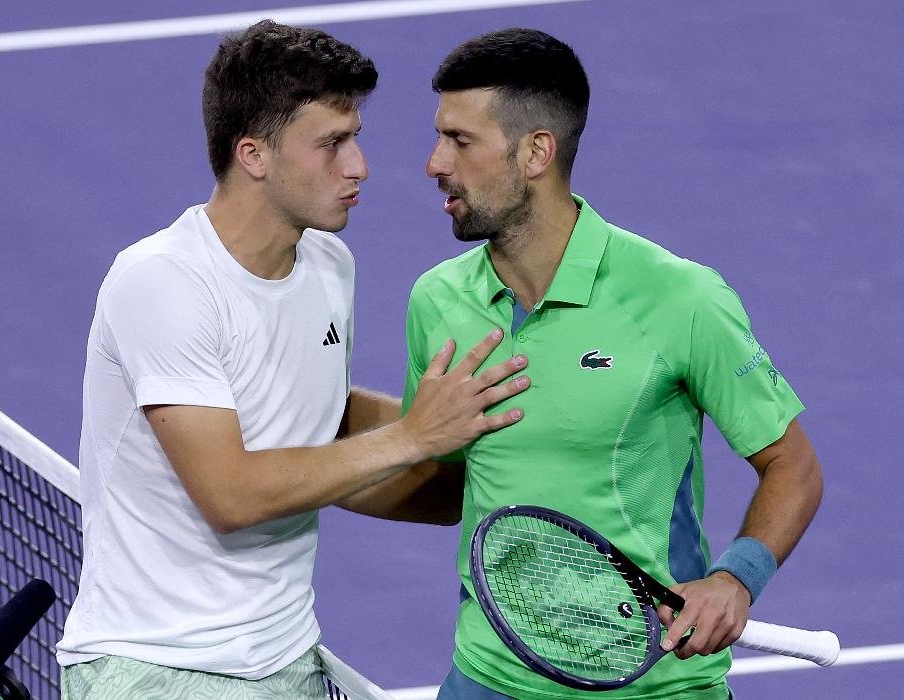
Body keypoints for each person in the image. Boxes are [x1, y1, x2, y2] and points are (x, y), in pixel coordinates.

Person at [55, 20, 530, 699]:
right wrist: (414, 436)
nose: (359, 165)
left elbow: (319, 435)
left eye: (355, 137)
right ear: (254, 154)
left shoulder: (328, 265)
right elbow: (232, 495)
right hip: (159, 672)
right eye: (332, 143)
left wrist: (483, 456)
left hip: (288, 664)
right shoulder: (162, 281)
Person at [403, 28, 824, 699]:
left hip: (652, 684)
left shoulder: (679, 297)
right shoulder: (438, 301)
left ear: (536, 151)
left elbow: (793, 466)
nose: (433, 163)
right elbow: (441, 478)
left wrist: (734, 577)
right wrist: (317, 464)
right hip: (490, 675)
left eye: (459, 140)